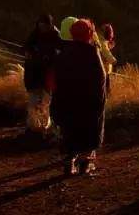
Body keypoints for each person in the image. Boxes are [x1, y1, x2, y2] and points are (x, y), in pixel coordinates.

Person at [52, 19, 106, 176]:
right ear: (89, 34)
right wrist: (100, 101)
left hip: (67, 101)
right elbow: (100, 80)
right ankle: (86, 163)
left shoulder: (64, 53)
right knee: (88, 132)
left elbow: (58, 79)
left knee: (69, 131)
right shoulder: (92, 53)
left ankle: (69, 163)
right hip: (88, 102)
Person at [22, 14, 62, 135]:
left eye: (44, 25)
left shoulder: (56, 36)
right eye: (40, 25)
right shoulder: (34, 35)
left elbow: (58, 54)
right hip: (34, 73)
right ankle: (33, 126)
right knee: (34, 101)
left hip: (47, 73)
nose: (42, 27)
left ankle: (44, 127)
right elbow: (26, 48)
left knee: (45, 101)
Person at [96, 24, 117, 95]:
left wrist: (109, 47)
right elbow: (105, 52)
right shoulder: (101, 41)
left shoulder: (100, 39)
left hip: (102, 69)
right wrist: (113, 60)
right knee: (106, 91)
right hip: (103, 70)